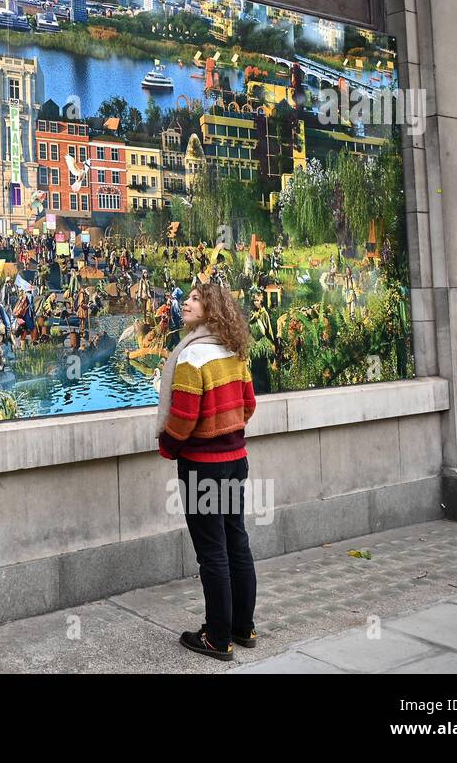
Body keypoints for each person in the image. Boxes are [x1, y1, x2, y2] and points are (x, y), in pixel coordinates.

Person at [154, 282, 258, 662]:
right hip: (235, 460)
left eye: (195, 299)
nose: (186, 303)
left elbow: (182, 420)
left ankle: (216, 638)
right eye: (189, 297)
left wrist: (168, 446)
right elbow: (248, 406)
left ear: (211, 309)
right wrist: (225, 428)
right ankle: (242, 627)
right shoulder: (234, 352)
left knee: (212, 552)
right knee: (237, 541)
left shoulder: (191, 358)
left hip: (202, 468)